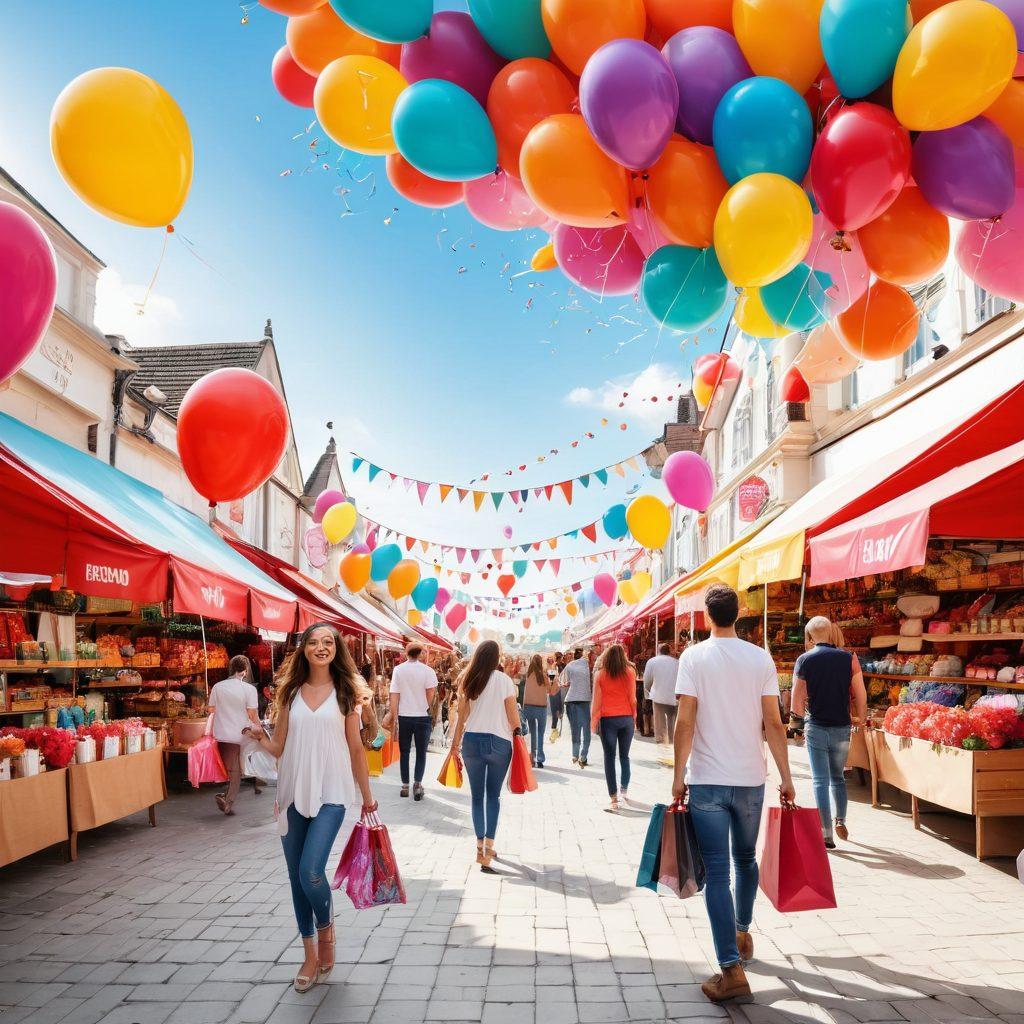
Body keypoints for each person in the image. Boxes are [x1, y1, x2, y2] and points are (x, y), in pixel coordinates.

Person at [672, 584, 795, 1004]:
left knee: (718, 872)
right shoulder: (760, 658)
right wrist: (786, 776)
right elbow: (773, 723)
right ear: (738, 614)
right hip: (750, 778)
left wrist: (678, 775)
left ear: (707, 616)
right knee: (745, 859)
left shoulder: (693, 658)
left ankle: (730, 968)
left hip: (707, 779)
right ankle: (742, 933)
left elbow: (685, 721)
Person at [243, 623, 376, 993]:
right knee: (295, 877)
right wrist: (260, 736)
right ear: (303, 650)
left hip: (332, 793)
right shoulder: (290, 693)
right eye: (314, 642)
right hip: (292, 794)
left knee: (310, 872)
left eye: (328, 642)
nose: (321, 648)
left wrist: (367, 798)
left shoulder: (347, 692)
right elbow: (279, 747)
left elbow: (356, 749)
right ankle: (309, 955)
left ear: (336, 649)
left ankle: (326, 930)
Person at [791, 615, 868, 849]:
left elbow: (797, 697)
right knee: (838, 778)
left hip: (816, 726)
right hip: (842, 727)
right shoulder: (849, 658)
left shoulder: (804, 660)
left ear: (810, 636)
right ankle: (840, 820)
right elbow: (860, 692)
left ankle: (826, 834)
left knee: (820, 781)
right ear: (830, 632)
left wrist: (796, 726)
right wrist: (862, 719)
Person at [450, 640, 520, 870]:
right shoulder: (504, 681)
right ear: (496, 657)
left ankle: (479, 846)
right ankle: (489, 847)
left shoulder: (468, 679)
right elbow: (513, 717)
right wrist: (520, 737)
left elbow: (461, 717)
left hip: (472, 741)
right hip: (499, 742)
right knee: (493, 796)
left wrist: (454, 745)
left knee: (477, 797)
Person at [208, 655, 260, 816]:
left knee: (233, 768)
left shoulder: (217, 687)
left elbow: (211, 709)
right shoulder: (249, 689)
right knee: (235, 770)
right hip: (241, 734)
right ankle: (228, 801)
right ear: (245, 671)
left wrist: (225, 710)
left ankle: (228, 798)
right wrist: (258, 728)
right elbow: (252, 714)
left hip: (221, 733)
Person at [591, 643, 637, 811]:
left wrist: (594, 721)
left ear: (607, 656)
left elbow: (597, 701)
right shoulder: (630, 672)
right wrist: (634, 718)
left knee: (609, 758)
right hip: (626, 719)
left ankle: (613, 799)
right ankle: (624, 791)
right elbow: (633, 698)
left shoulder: (600, 674)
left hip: (608, 720)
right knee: (625, 756)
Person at [389, 643, 438, 800]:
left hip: (404, 716)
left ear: (406, 653)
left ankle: (405, 785)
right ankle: (417, 784)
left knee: (404, 752)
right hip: (422, 716)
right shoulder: (428, 671)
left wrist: (394, 716)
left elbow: (394, 694)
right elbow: (431, 691)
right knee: (421, 752)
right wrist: (425, 705)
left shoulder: (398, 670)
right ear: (421, 653)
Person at [561, 648, 593, 767]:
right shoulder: (590, 666)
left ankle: (575, 755)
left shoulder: (570, 665)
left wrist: (573, 683)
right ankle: (583, 757)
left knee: (575, 730)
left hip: (570, 700)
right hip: (584, 701)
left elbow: (563, 681)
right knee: (586, 731)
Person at [644, 643, 680, 745]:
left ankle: (661, 741)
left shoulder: (652, 661)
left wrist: (647, 693)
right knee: (672, 720)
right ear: (669, 651)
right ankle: (672, 741)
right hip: (673, 696)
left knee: (659, 722)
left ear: (659, 651)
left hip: (658, 696)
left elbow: (647, 680)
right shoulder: (677, 662)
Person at [522, 654, 553, 768]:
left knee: (533, 733)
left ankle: (533, 758)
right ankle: (540, 759)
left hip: (529, 707)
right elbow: (549, 690)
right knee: (540, 733)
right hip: (541, 708)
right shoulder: (543, 675)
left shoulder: (528, 675)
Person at [547, 654, 564, 741]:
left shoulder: (556, 667)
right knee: (556, 712)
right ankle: (555, 732)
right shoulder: (552, 668)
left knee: (558, 712)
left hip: (557, 691)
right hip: (554, 692)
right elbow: (551, 681)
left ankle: (556, 731)